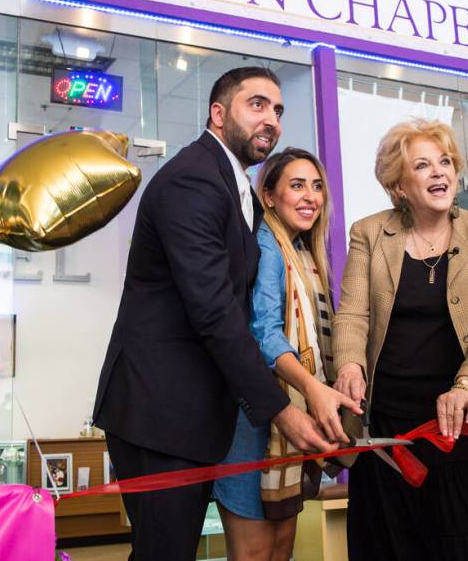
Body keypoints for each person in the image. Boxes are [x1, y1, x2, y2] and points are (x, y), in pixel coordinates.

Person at [93, 67, 336, 561]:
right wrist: (281, 409)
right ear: (219, 114)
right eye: (257, 105)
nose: (271, 119)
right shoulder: (193, 179)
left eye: (278, 109)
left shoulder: (231, 182)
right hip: (158, 412)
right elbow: (214, 313)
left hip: (191, 416)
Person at [332, 118, 468, 560]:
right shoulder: (369, 233)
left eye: (445, 162)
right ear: (399, 185)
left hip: (462, 423)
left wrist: (466, 386)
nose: (440, 172)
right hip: (389, 430)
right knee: (393, 545)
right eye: (423, 165)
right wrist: (349, 365)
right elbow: (353, 314)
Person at [214, 148, 361, 561]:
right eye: (297, 185)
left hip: (288, 426)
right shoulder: (267, 244)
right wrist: (314, 389)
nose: (310, 196)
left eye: (316, 187)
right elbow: (265, 334)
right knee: (256, 553)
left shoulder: (303, 251)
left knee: (280, 550)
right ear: (269, 197)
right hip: (255, 422)